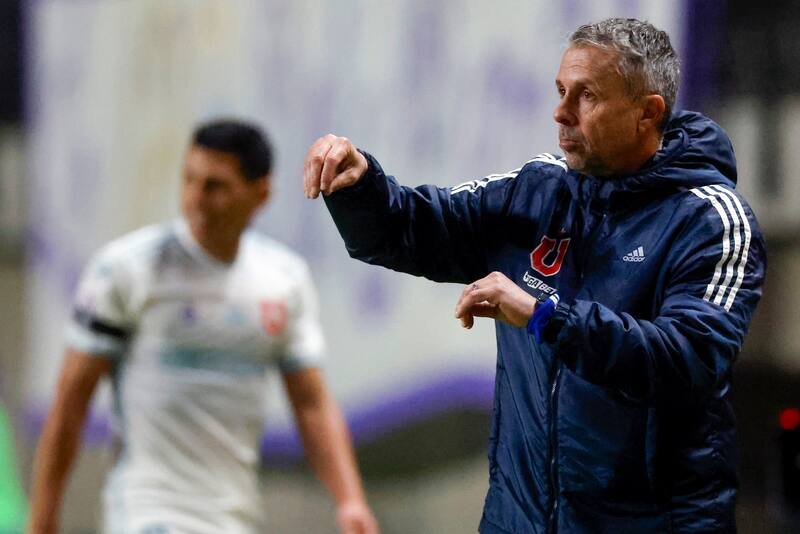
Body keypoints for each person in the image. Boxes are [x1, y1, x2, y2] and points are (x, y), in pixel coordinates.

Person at [303, 17, 766, 534]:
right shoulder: (538, 189)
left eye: (586, 96)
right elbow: (412, 227)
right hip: (518, 520)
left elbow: (686, 359)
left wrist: (544, 316)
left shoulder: (711, 220)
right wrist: (359, 184)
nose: (561, 113)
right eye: (561, 91)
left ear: (647, 113)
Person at [29, 120, 379, 534]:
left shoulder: (283, 280)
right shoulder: (126, 269)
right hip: (145, 512)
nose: (195, 198)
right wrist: (43, 518)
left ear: (260, 193)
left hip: (234, 517)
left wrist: (350, 500)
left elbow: (311, 404)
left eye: (215, 186)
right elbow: (71, 400)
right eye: (189, 180)